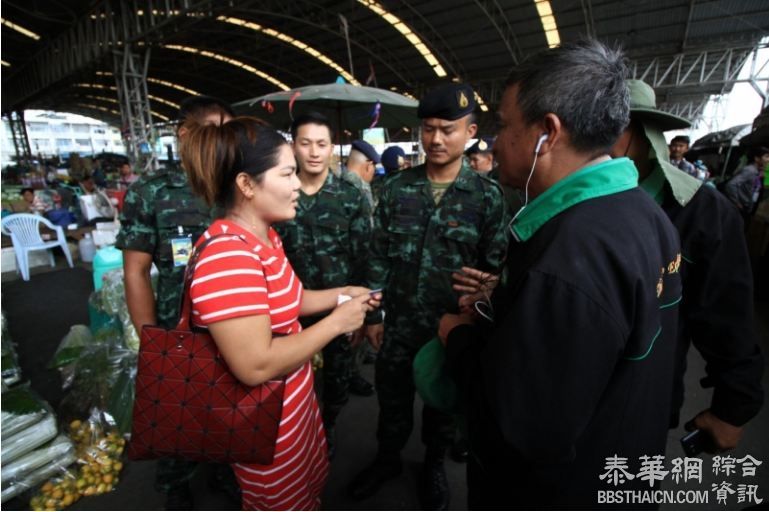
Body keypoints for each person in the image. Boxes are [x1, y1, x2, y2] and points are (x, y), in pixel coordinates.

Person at [439, 40, 682, 509]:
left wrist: (459, 339)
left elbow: (523, 428)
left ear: (546, 133)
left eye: (505, 126)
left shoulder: (568, 256)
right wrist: (513, 301)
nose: (494, 142)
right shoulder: (644, 215)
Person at [179, 116, 380, 510]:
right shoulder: (229, 258)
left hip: (291, 409)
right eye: (287, 173)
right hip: (262, 424)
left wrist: (342, 294)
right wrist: (338, 322)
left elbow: (292, 299)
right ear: (247, 184)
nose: (296, 186)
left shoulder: (262, 238)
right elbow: (254, 365)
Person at [348, 82, 509, 510]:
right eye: (429, 129)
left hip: (449, 329)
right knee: (392, 400)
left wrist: (477, 323)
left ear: (470, 131)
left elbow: (492, 271)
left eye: (448, 130)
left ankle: (434, 465)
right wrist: (372, 317)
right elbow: (377, 256)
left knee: (442, 406)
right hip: (398, 324)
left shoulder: (486, 197)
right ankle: (387, 460)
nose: (436, 139)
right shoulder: (397, 189)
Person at [608, 79, 764, 452]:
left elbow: (727, 313)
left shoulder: (701, 212)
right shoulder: (564, 196)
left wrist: (733, 406)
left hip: (642, 401)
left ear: (633, 133)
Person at [116, 95, 238, 510]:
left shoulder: (236, 187)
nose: (224, 142)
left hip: (233, 326)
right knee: (178, 414)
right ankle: (176, 483)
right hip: (176, 326)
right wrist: (152, 340)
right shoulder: (152, 193)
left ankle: (223, 470)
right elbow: (135, 271)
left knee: (230, 406)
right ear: (185, 135)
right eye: (214, 131)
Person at [274, 114, 375, 460]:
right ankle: (288, 433)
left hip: (339, 306)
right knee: (283, 375)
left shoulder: (349, 195)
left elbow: (364, 256)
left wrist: (366, 313)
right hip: (288, 307)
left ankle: (327, 425)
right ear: (293, 146)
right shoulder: (279, 194)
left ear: (332, 148)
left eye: (321, 144)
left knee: (337, 373)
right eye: (305, 143)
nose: (314, 152)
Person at [725, 146, 769, 228]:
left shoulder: (758, 171)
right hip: (740, 209)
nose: (768, 160)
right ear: (757, 158)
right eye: (766, 156)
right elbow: (731, 185)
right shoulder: (750, 170)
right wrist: (737, 203)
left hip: (747, 209)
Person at [344, 139, 381, 209]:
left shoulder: (333, 181)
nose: (374, 172)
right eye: (374, 168)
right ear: (369, 166)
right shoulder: (363, 190)